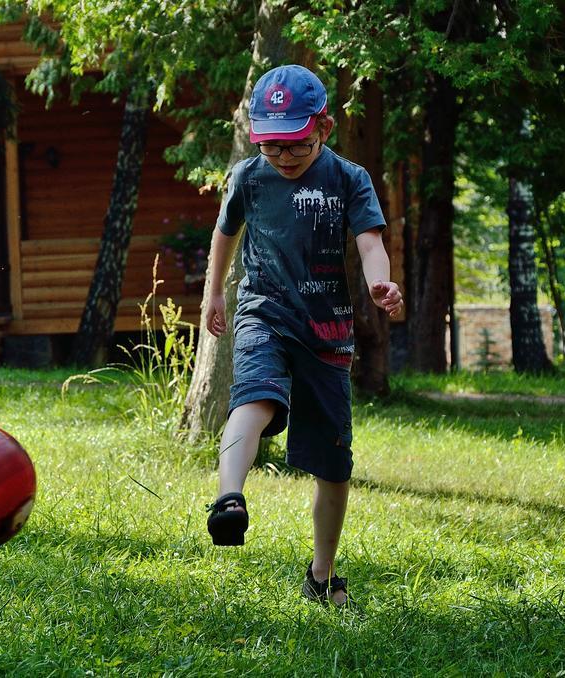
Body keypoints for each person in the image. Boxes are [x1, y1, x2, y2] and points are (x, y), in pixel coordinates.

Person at [203, 66, 403, 608]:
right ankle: (228, 499)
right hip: (263, 311)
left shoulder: (348, 179)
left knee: (334, 467)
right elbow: (225, 235)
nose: (284, 158)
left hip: (327, 330)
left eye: (296, 145)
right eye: (271, 147)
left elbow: (369, 243)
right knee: (256, 395)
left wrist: (379, 280)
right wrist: (214, 294)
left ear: (325, 128)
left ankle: (321, 573)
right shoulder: (249, 177)